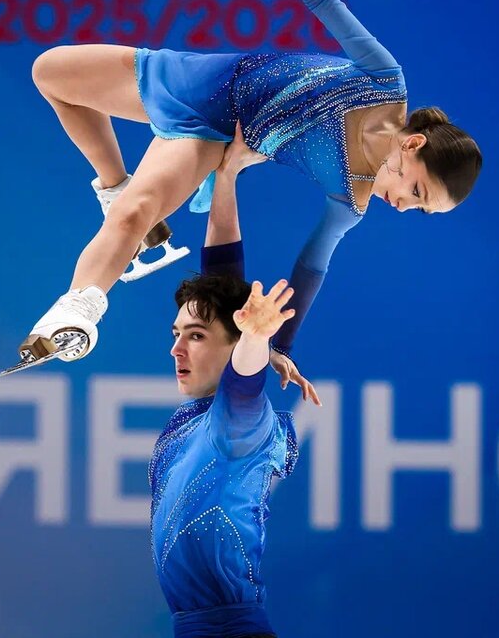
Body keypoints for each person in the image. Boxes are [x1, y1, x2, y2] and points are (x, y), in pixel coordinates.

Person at [9, 0, 482, 376]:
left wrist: (283, 347)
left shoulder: (353, 200)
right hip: (197, 79)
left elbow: (310, 268)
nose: (405, 205)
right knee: (50, 73)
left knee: (135, 214)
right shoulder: (383, 82)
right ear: (413, 146)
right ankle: (113, 184)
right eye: (417, 190)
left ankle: (78, 309)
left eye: (420, 209)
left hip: (215, 131)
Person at [152, 135, 317, 638]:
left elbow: (244, 380)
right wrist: (225, 180)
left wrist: (258, 339)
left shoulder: (237, 423)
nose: (176, 349)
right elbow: (220, 288)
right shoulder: (200, 416)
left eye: (195, 337)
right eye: (176, 334)